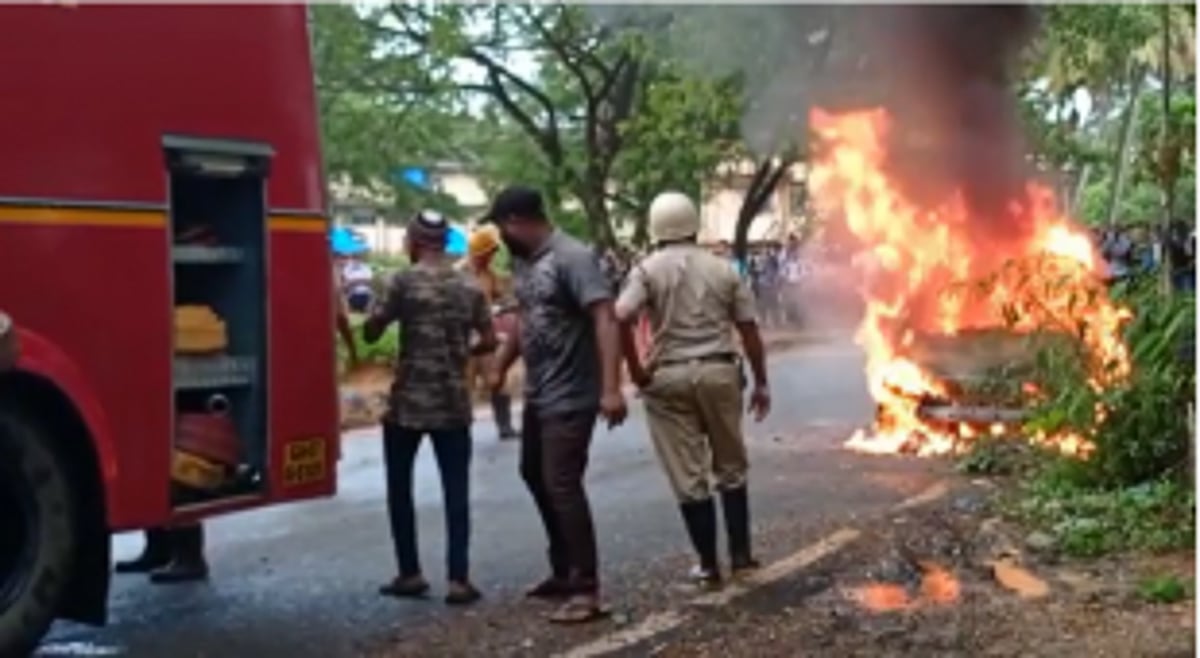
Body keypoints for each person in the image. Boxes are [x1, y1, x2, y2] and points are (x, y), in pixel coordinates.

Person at [485, 185, 627, 624]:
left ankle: (587, 588)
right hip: (540, 392)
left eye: (500, 227)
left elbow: (606, 317)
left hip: (573, 393)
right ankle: (563, 570)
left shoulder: (573, 257)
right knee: (535, 474)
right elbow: (526, 319)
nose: (499, 237)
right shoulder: (525, 262)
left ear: (516, 222)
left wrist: (611, 388)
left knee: (562, 483)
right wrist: (501, 364)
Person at [615, 191, 770, 589]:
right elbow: (749, 329)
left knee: (688, 475)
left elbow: (621, 316)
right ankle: (741, 556)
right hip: (720, 371)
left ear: (655, 227)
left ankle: (708, 564)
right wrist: (762, 382)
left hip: (668, 377)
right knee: (731, 467)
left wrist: (636, 370)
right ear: (694, 225)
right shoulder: (723, 269)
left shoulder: (646, 271)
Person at [362, 210, 497, 605]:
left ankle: (410, 572)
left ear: (413, 242)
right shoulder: (469, 286)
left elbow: (371, 332)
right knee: (457, 492)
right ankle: (458, 579)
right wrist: (462, 352)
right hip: (453, 403)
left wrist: (377, 313)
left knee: (400, 489)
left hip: (407, 405)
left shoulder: (400, 281)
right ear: (443, 242)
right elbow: (490, 340)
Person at [459, 225, 519, 440]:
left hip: (486, 337)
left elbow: (501, 297)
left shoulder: (489, 274)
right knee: (463, 387)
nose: (492, 256)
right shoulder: (457, 274)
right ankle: (460, 430)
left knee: (497, 378)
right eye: (490, 252)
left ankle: (505, 426)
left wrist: (507, 305)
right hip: (463, 338)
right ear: (480, 252)